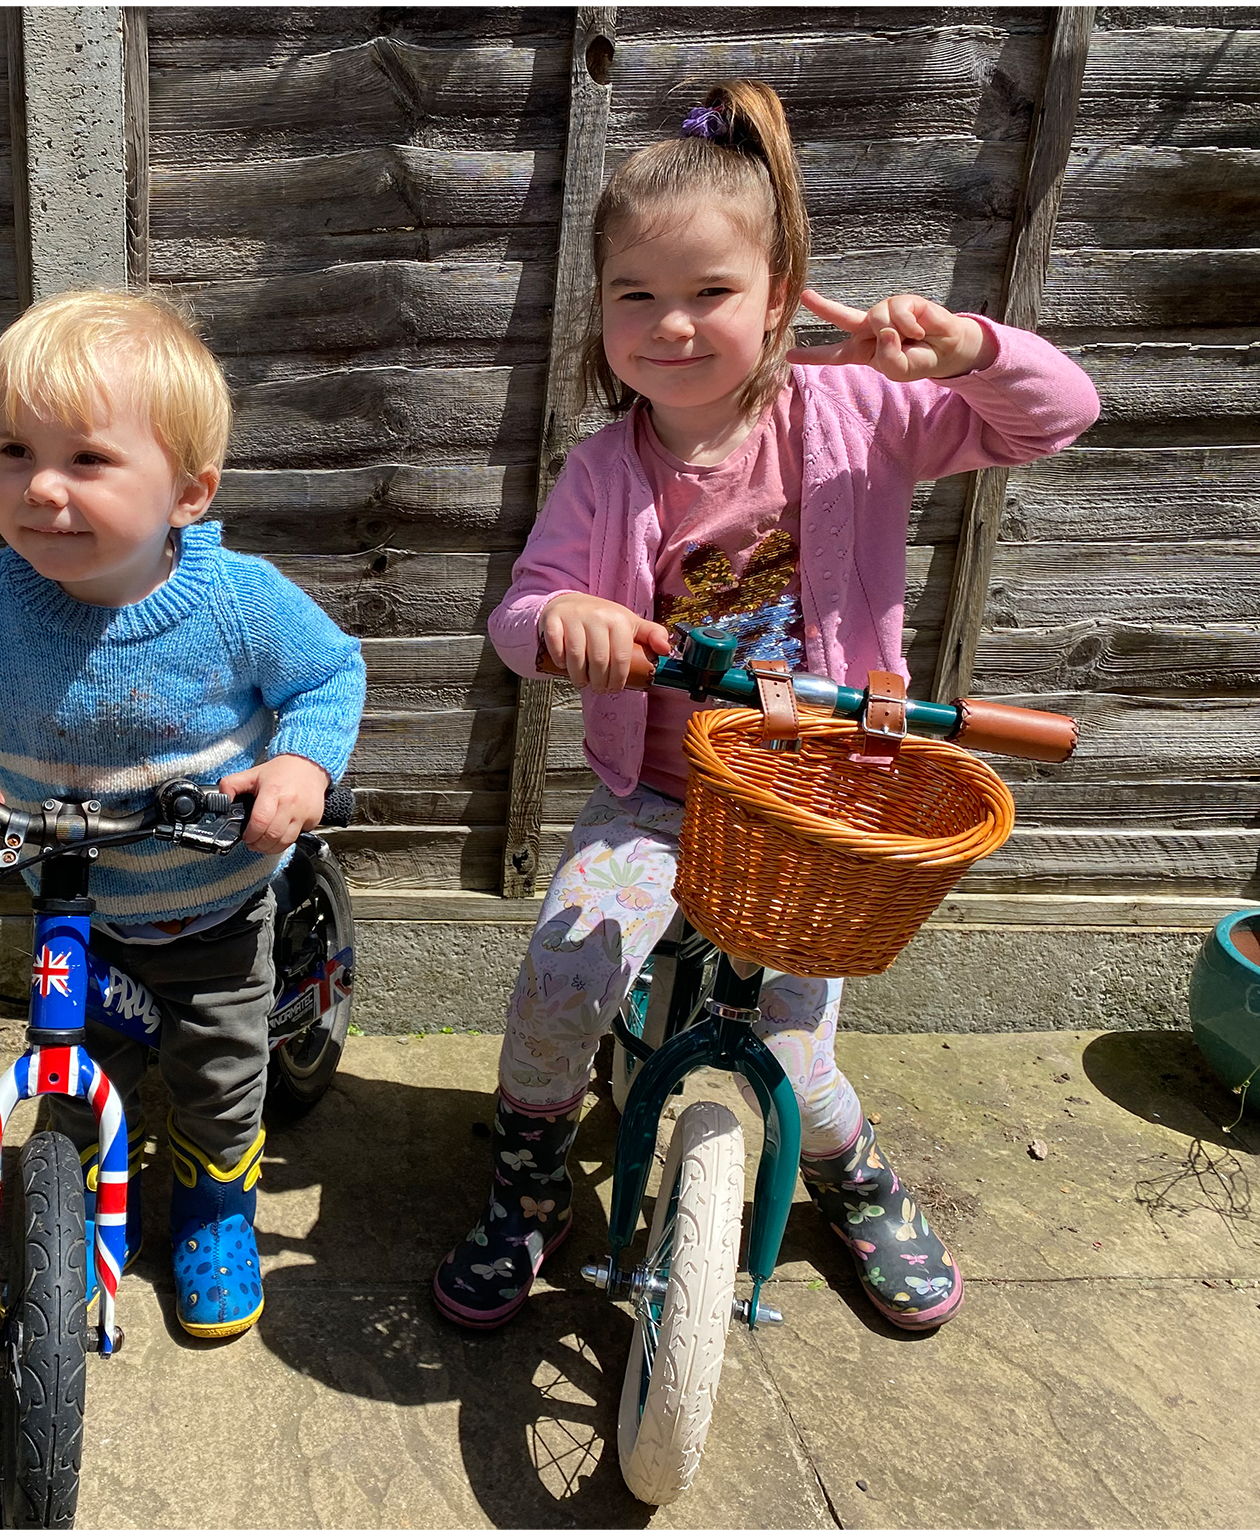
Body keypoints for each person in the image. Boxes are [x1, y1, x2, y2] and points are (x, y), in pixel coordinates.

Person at [432, 80, 1100, 1333]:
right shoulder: (602, 467)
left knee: (796, 1043)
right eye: (634, 295)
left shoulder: (856, 416)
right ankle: (528, 1181)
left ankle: (848, 1172)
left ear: (781, 300)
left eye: (709, 293)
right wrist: (563, 625)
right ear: (600, 312)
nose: (669, 325)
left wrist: (972, 351)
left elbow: (1056, 417)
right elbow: (521, 617)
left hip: (820, 796)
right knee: (563, 971)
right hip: (660, 793)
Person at [0, 287, 366, 1340]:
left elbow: (326, 675)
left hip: (214, 908)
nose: (41, 487)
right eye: (12, 452)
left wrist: (301, 770)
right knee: (85, 1062)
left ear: (187, 492)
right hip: (68, 905)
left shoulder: (236, 599)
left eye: (85, 460)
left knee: (220, 1077)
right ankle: (83, 1188)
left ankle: (216, 1212)